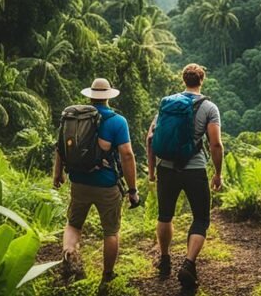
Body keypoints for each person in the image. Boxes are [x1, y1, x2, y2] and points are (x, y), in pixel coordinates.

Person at [53, 78, 139, 285]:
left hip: (79, 182)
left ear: (90, 95)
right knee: (110, 231)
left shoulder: (72, 118)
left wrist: (58, 174)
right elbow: (127, 155)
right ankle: (107, 276)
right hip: (107, 185)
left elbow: (60, 148)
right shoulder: (117, 121)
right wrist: (132, 189)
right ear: (109, 96)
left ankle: (69, 253)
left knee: (73, 224)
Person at [146, 63, 223, 290]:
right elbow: (216, 144)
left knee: (165, 215)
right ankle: (188, 264)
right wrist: (218, 174)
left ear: (183, 80)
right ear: (202, 81)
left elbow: (150, 137)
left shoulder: (167, 104)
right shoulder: (209, 107)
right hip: (194, 169)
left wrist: (151, 171)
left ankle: (165, 259)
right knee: (200, 218)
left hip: (166, 169)